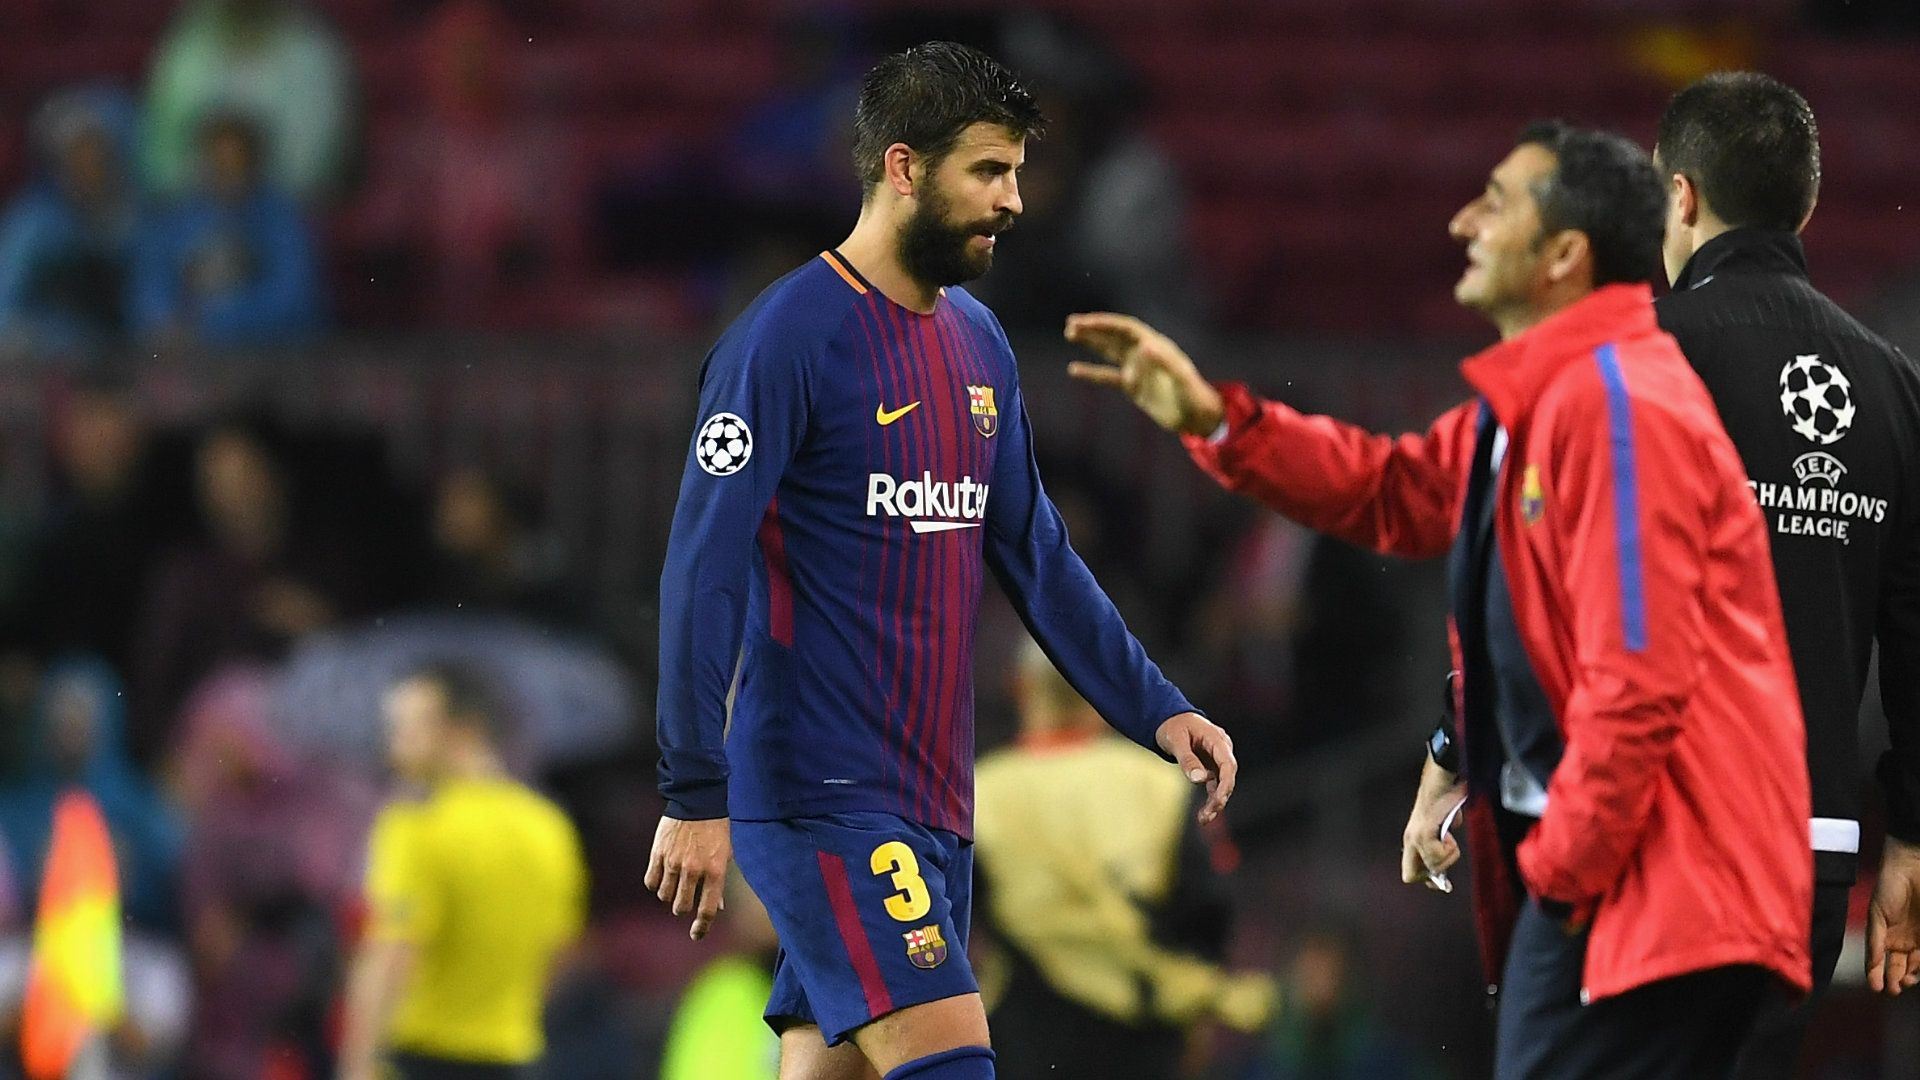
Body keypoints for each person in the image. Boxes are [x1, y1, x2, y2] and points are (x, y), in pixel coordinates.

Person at [1065, 122, 1811, 1080]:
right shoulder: (1541, 404)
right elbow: (1392, 489)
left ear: (1564, 254)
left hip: (1659, 893)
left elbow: (1643, 678)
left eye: (1496, 201)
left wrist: (1562, 876)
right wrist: (1216, 419)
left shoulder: (1621, 408)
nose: (1462, 219)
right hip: (1629, 884)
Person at [648, 41, 1236, 1080]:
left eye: (1016, 171)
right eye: (989, 172)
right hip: (824, 791)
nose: (1014, 200)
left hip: (935, 799)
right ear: (904, 168)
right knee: (951, 1060)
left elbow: (1034, 551)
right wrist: (694, 790)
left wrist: (1155, 707)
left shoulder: (977, 341)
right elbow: (705, 563)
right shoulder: (785, 339)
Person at [1648, 71, 1920, 1076]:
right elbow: (1917, 636)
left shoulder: (1646, 360)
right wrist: (1914, 840)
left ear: (1679, 197)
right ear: (1802, 202)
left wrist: (1464, 749)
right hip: (1808, 853)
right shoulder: (1892, 386)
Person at [974, 639, 1272, 1080]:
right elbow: (1209, 909)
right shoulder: (1160, 783)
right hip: (1145, 1030)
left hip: (1026, 1032)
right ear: (1099, 686)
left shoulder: (979, 791)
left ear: (1018, 687)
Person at [337, 663, 587, 1080]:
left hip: (423, 1057)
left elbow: (393, 952)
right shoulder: (549, 826)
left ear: (465, 729)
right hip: (513, 1057)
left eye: (410, 727)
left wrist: (357, 1066)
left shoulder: (416, 825)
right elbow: (559, 946)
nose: (395, 744)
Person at [131, 112, 324, 348]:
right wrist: (161, 320)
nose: (226, 172)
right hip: (189, 354)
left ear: (254, 164)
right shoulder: (174, 219)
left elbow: (293, 297)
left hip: (270, 353)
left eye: (236, 162)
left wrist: (216, 323)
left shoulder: (282, 220)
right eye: (218, 161)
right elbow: (150, 285)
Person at [143, 0, 356, 203]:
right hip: (193, 204)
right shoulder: (187, 48)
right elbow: (164, 157)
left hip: (289, 206)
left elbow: (310, 169)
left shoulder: (310, 53)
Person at [0, 86, 145, 361]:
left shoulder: (137, 221)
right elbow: (5, 297)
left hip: (122, 358)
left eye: (97, 157)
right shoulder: (31, 223)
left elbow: (148, 303)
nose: (88, 170)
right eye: (76, 159)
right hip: (45, 360)